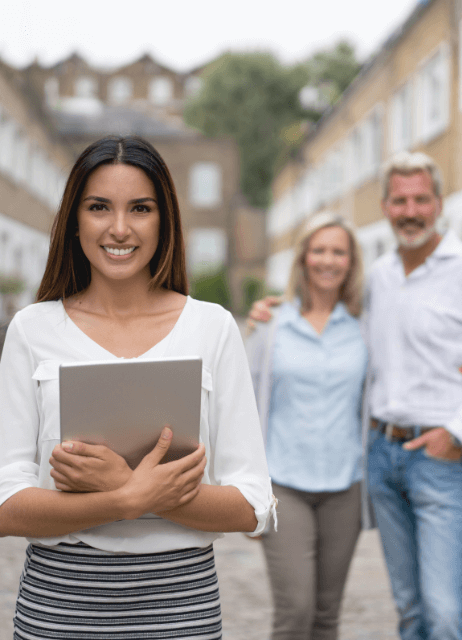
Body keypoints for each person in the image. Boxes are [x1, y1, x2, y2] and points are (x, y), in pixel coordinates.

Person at [0, 135, 275, 640]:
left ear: (164, 219)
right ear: (74, 220)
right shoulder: (31, 329)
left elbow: (251, 505)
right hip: (60, 608)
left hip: (182, 608)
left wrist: (124, 484)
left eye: (141, 208)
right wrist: (125, 499)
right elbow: (4, 505)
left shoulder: (212, 327)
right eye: (99, 207)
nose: (120, 228)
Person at [250, 151, 462, 640]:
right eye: (400, 200)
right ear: (385, 206)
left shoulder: (439, 277)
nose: (411, 210)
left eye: (421, 199)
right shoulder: (377, 282)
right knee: (403, 609)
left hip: (425, 461)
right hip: (370, 462)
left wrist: (455, 433)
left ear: (438, 204)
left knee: (445, 613)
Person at [246, 212, 368, 640]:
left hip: (345, 488)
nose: (328, 260)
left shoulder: (363, 326)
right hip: (285, 487)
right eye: (319, 250)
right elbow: (245, 405)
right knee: (295, 613)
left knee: (327, 615)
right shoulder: (271, 325)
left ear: (351, 262)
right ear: (303, 258)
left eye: (339, 251)